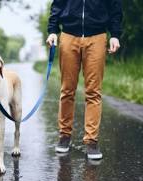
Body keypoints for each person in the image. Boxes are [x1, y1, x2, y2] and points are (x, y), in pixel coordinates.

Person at [46, 0, 123, 159]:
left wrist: (115, 34)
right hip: (68, 36)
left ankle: (91, 141)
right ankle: (64, 136)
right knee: (67, 90)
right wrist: (53, 30)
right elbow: (57, 6)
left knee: (94, 92)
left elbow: (115, 7)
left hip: (97, 36)